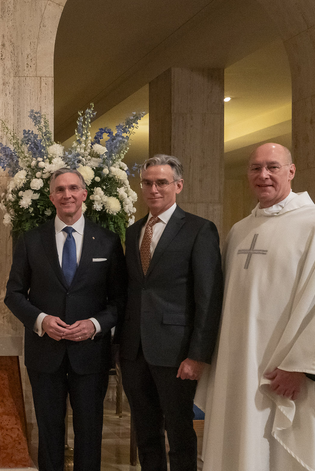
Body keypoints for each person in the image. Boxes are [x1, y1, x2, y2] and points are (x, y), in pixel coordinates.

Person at [196, 143, 315, 470]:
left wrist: (300, 366)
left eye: (272, 167)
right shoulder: (240, 230)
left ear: (291, 171)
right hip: (238, 368)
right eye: (255, 168)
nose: (263, 175)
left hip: (286, 373)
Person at [5, 168, 126, 471]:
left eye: (73, 188)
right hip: (45, 354)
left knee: (90, 432)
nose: (67, 194)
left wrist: (95, 324)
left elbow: (120, 300)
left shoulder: (108, 241)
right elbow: (14, 294)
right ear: (51, 197)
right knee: (49, 433)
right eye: (60, 189)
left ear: (84, 194)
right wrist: (41, 320)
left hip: (91, 354)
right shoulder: (31, 240)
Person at [117, 155, 223, 471]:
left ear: (178, 185)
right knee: (145, 432)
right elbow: (132, 291)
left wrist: (198, 355)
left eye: (161, 182)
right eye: (147, 183)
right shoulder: (134, 231)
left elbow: (208, 297)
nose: (153, 189)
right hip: (134, 351)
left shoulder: (199, 230)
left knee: (179, 433)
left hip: (176, 353)